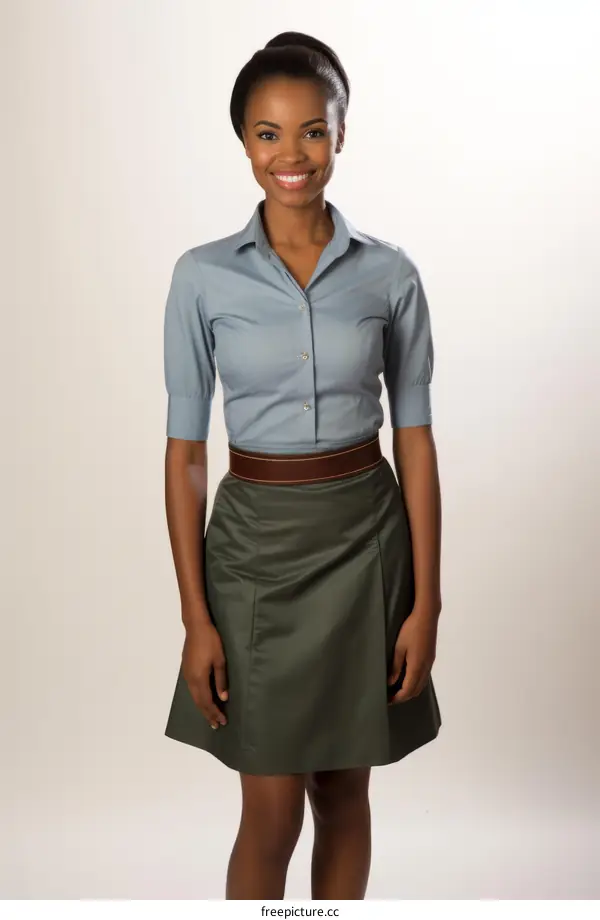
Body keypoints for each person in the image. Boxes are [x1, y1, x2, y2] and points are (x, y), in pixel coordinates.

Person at [162, 31, 443, 900]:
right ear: (244, 142)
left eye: (312, 131)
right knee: (272, 810)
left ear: (342, 133)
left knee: (345, 793)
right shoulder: (201, 279)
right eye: (269, 133)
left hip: (366, 544)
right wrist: (195, 617)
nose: (293, 155)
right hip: (253, 553)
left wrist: (427, 602)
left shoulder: (390, 275)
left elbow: (417, 441)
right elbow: (184, 455)